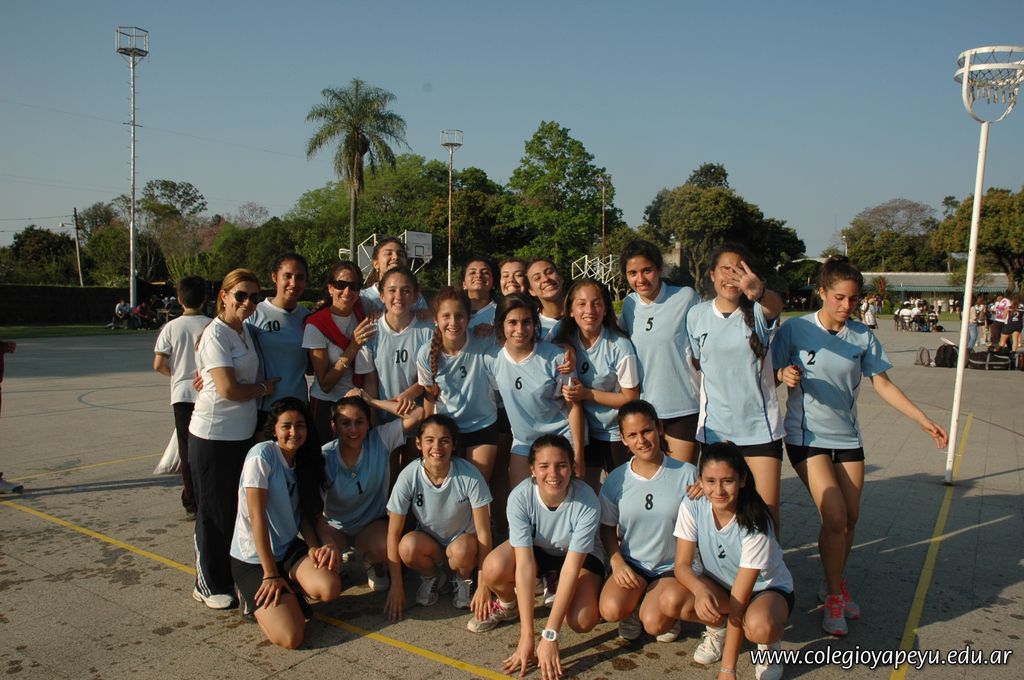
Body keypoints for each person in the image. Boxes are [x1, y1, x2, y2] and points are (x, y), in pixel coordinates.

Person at [772, 256, 948, 636]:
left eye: (853, 299)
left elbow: (882, 383)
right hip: (806, 437)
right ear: (822, 292)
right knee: (834, 515)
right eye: (839, 297)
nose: (847, 305)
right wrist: (781, 373)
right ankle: (834, 597)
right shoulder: (796, 329)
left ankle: (832, 582)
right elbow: (767, 374)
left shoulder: (862, 336)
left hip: (848, 438)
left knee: (850, 518)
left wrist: (922, 420)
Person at [468, 435, 603, 680]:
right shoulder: (520, 497)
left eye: (561, 465)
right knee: (493, 568)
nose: (553, 474)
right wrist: (527, 636)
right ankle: (508, 605)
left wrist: (550, 635)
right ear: (532, 469)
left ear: (572, 467)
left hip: (578, 558)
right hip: (539, 551)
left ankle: (571, 586)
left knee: (582, 621)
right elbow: (524, 565)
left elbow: (571, 568)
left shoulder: (587, 501)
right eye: (544, 466)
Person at [189, 269, 277, 609]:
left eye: (254, 297)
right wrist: (263, 389)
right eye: (240, 295)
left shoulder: (245, 331)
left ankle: (229, 574)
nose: (248, 302)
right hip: (213, 434)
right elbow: (227, 389)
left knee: (233, 508)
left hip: (242, 434)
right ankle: (207, 583)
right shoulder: (216, 334)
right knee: (213, 511)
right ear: (223, 296)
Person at [669, 442, 793, 680]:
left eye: (727, 481)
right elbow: (682, 565)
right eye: (710, 481)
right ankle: (718, 628)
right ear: (700, 480)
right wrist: (700, 591)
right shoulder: (693, 503)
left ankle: (770, 645)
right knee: (672, 599)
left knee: (758, 626)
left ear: (742, 479)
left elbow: (739, 599)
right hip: (721, 584)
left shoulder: (756, 523)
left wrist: (728, 670)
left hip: (765, 589)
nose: (718, 490)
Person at [687, 243, 785, 531]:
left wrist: (760, 293)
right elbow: (698, 362)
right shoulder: (696, 316)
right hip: (716, 431)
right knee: (722, 512)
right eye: (724, 269)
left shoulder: (757, 312)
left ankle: (769, 562)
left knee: (766, 516)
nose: (731, 277)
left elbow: (775, 306)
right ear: (711, 274)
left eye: (738, 270)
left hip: (759, 430)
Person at [230, 399, 341, 648]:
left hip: (286, 548)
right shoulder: (262, 456)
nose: (293, 432)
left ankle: (288, 590)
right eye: (286, 426)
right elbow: (257, 518)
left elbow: (302, 514)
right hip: (253, 559)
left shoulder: (304, 460)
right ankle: (250, 598)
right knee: (291, 637)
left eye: (300, 425)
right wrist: (270, 574)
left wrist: (313, 547)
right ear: (274, 429)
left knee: (329, 587)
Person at [598, 400, 697, 643]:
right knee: (610, 609)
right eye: (632, 435)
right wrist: (617, 562)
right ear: (623, 439)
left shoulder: (687, 473)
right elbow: (606, 528)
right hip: (634, 564)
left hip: (673, 566)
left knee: (655, 624)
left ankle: (668, 606)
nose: (641, 440)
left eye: (646, 431)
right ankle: (634, 605)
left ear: (659, 428)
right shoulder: (616, 479)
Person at [383, 415, 493, 621]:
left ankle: (463, 579)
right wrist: (396, 586)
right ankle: (434, 577)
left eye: (444, 441)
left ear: (454, 445)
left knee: (463, 549)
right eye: (429, 440)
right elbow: (392, 533)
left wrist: (483, 585)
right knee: (407, 546)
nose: (437, 447)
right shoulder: (409, 475)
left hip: (462, 543)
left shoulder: (470, 475)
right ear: (418, 444)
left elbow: (484, 534)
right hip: (430, 543)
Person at [321, 392, 423, 593]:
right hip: (335, 528)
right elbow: (314, 513)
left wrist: (372, 402)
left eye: (359, 422)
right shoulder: (325, 456)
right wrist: (326, 542)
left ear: (368, 423)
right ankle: (338, 561)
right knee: (325, 580)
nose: (353, 429)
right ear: (334, 426)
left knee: (388, 546)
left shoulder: (380, 439)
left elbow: (418, 413)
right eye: (345, 423)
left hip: (370, 526)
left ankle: (371, 561)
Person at [485, 293, 585, 489]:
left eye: (526, 322)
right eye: (512, 322)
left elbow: (574, 406)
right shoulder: (492, 359)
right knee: (520, 499)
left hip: (560, 439)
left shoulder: (557, 358)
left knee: (559, 501)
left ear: (534, 323)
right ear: (501, 325)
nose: (520, 330)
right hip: (523, 443)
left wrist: (578, 455)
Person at [619, 239, 701, 464]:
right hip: (645, 412)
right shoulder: (629, 304)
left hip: (683, 407)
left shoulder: (686, 297)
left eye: (647, 270)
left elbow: (704, 347)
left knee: (681, 478)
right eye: (632, 273)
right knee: (653, 477)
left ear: (659, 269)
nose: (640, 279)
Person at [555, 278, 640, 491]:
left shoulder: (620, 346)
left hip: (613, 431)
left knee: (618, 492)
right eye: (581, 304)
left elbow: (630, 397)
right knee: (584, 491)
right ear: (571, 310)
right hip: (581, 432)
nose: (589, 310)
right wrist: (565, 345)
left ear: (605, 309)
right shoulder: (562, 335)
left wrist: (586, 394)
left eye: (596, 303)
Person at [418, 287, 499, 482]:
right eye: (446, 316)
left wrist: (495, 329)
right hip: (446, 429)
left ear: (469, 318)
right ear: (436, 319)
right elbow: (429, 396)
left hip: (482, 424)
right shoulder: (426, 354)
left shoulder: (484, 340)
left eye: (459, 316)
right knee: (447, 486)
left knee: (476, 485)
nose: (453, 322)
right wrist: (426, 433)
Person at [153, 275, 211, 518]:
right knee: (207, 447)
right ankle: (208, 494)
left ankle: (191, 499)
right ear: (205, 298)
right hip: (208, 392)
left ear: (179, 299)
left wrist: (177, 375)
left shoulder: (171, 327)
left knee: (186, 450)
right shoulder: (212, 325)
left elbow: (158, 364)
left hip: (182, 395)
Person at [302, 261, 377, 447]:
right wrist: (353, 346)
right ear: (330, 288)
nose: (347, 291)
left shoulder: (362, 312)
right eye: (340, 285)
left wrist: (423, 312)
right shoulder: (316, 324)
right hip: (327, 405)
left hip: (357, 402)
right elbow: (325, 384)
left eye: (354, 286)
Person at [247, 254, 312, 427]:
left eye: (300, 278)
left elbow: (312, 366)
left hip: (299, 406)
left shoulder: (308, 317)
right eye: (287, 276)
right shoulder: (254, 314)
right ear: (274, 277)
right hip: (265, 408)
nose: (293, 283)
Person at [360, 237, 428, 314]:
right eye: (388, 253)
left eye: (400, 254)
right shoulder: (363, 298)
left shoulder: (415, 297)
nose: (395, 257)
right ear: (376, 264)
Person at [526, 258, 566, 341]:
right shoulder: (533, 328)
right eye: (537, 278)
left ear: (561, 278)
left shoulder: (584, 312)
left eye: (549, 272)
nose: (546, 279)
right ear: (531, 291)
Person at [461, 256, 498, 329]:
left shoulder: (500, 312)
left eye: (485, 272)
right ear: (464, 284)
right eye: (472, 272)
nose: (479, 275)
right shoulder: (453, 311)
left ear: (493, 282)